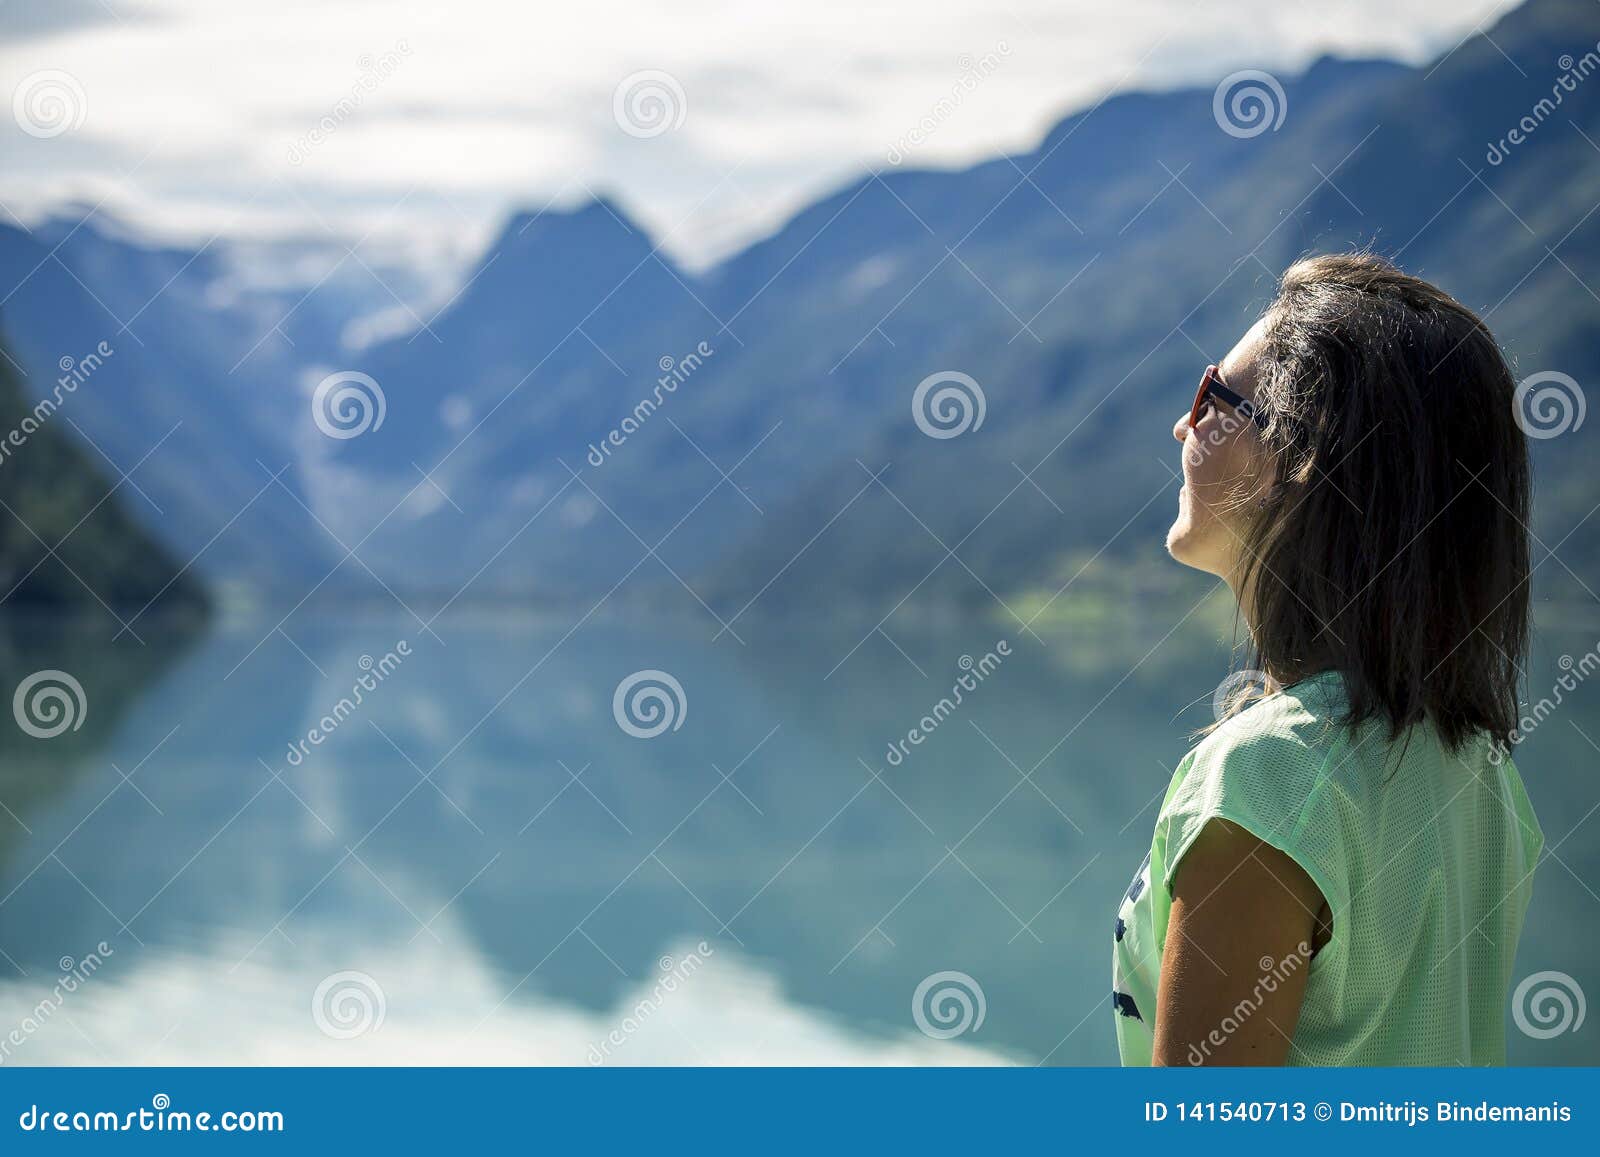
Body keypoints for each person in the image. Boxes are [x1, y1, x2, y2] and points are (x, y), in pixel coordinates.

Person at [1112, 253, 1544, 1066]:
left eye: (1212, 400)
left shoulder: (1266, 776)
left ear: (1299, 465)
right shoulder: (1481, 766)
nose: (1183, 425)